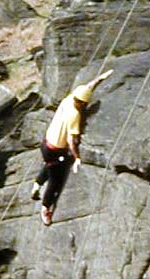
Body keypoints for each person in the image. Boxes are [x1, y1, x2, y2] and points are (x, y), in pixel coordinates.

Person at [30, 70, 113, 226]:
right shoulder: (74, 114)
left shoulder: (69, 99)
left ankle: (36, 184)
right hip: (55, 149)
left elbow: (86, 89)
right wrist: (77, 157)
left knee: (49, 165)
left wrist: (100, 78)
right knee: (55, 180)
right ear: (81, 103)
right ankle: (45, 208)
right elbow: (71, 140)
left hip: (47, 142)